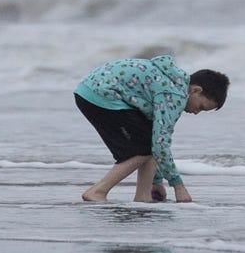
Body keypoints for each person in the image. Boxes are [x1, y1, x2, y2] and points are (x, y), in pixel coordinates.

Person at [74, 55, 229, 203]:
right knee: (141, 149)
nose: (196, 113)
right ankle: (98, 191)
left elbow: (156, 137)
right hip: (101, 96)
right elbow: (161, 145)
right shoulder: (174, 94)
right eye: (201, 107)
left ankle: (144, 195)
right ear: (196, 90)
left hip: (90, 89)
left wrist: (157, 181)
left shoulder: (172, 80)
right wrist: (178, 186)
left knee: (147, 142)